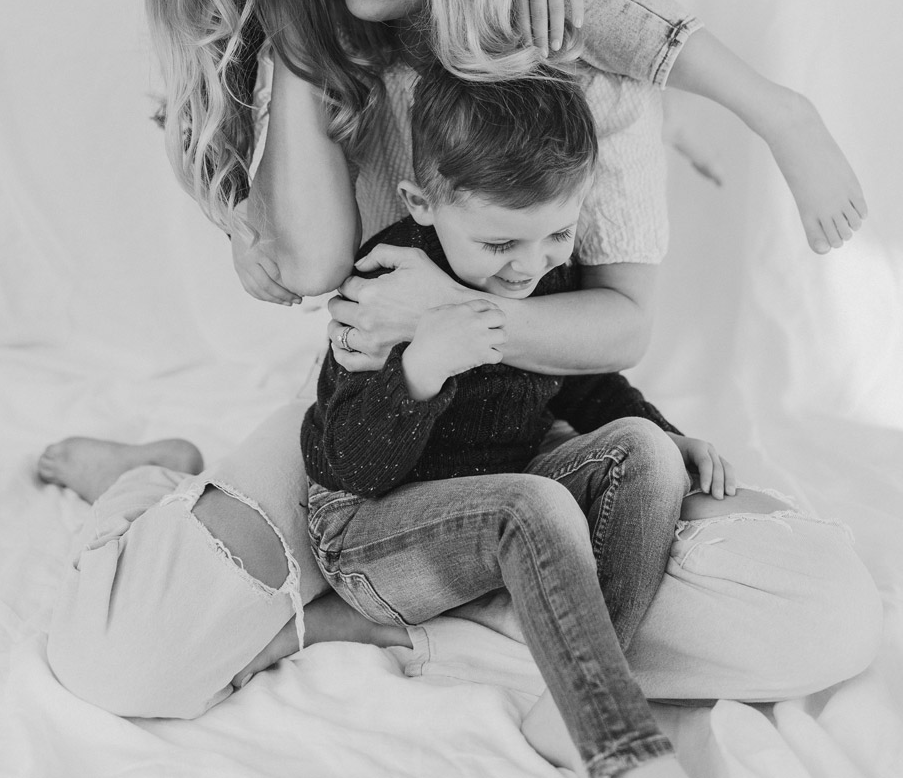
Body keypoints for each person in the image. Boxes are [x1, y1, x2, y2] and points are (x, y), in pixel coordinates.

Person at [40, 0, 876, 718]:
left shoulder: (572, 44)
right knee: (122, 664)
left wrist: (458, 312)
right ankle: (154, 485)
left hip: (541, 431)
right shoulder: (318, 45)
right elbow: (311, 261)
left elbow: (620, 319)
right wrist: (298, 35)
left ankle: (426, 609)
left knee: (825, 617)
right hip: (366, 457)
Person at [302, 63, 730, 776]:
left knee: (643, 451)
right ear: (423, 201)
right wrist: (422, 370)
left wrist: (668, 431)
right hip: (369, 536)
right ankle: (621, 747)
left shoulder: (539, 269)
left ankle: (571, 706)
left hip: (493, 510)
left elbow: (580, 384)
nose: (528, 268)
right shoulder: (385, 284)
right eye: (500, 245)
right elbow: (342, 463)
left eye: (559, 235)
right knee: (530, 505)